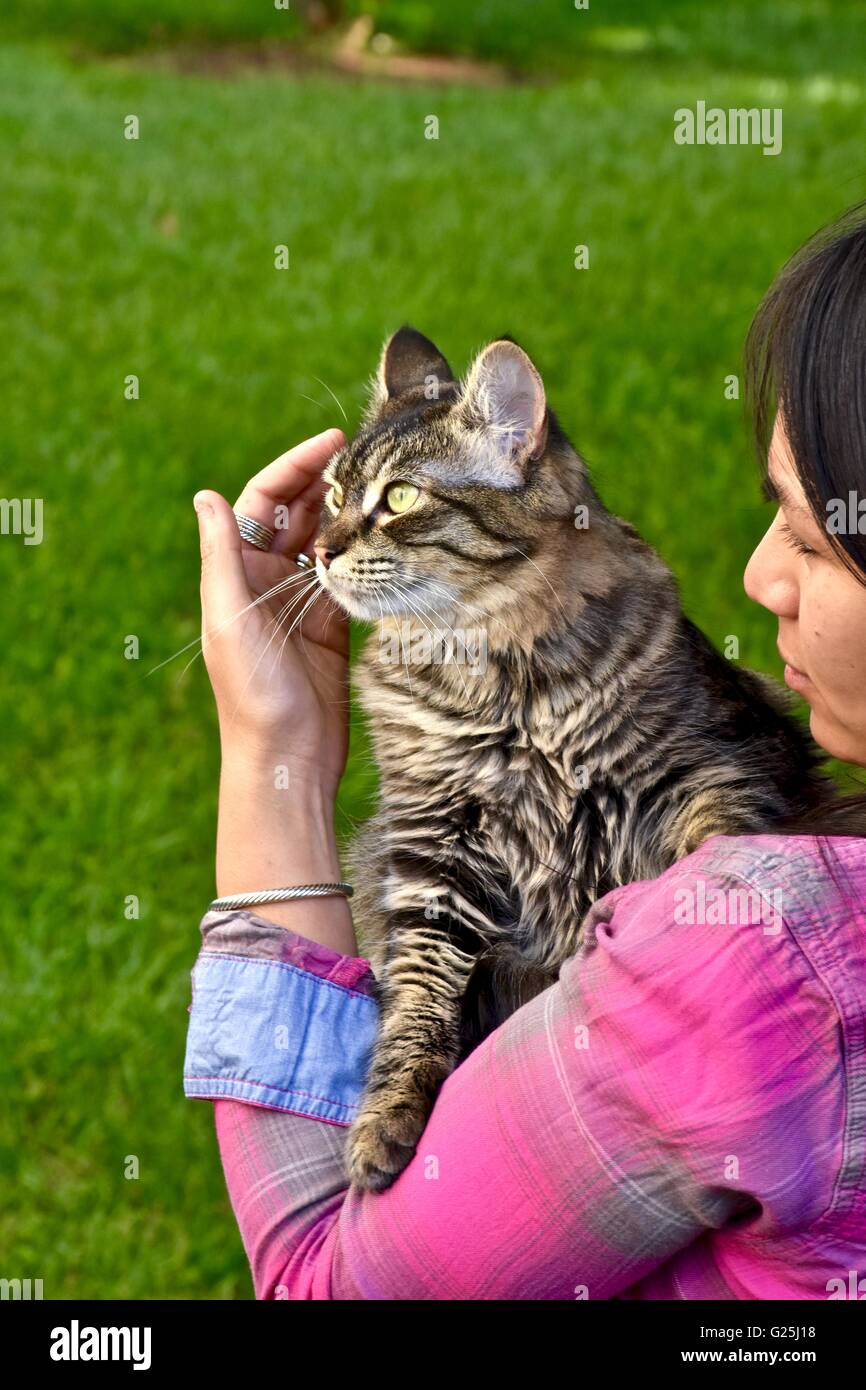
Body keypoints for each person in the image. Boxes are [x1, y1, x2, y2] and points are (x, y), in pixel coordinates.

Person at [183, 207, 866, 1300]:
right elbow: (432, 887)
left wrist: (275, 748)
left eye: (806, 535)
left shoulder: (760, 955)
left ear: (519, 452)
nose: (754, 578)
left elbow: (327, 1287)